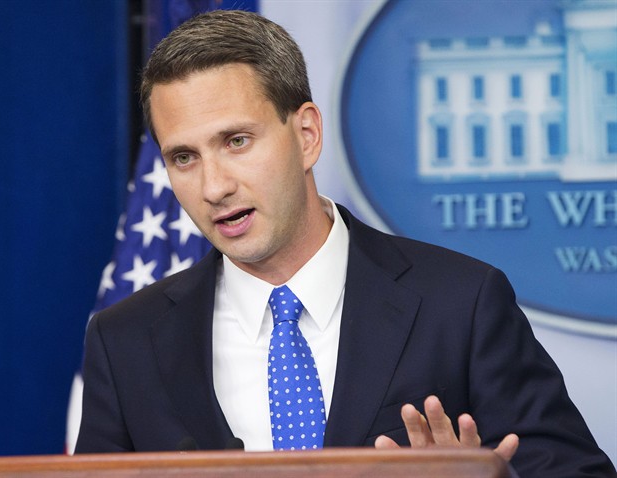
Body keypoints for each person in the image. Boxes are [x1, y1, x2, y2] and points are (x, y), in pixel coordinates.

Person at [75, 9, 615, 477]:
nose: (214, 187)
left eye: (236, 142)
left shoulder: (462, 305)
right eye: (184, 158)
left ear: (306, 135)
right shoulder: (126, 342)